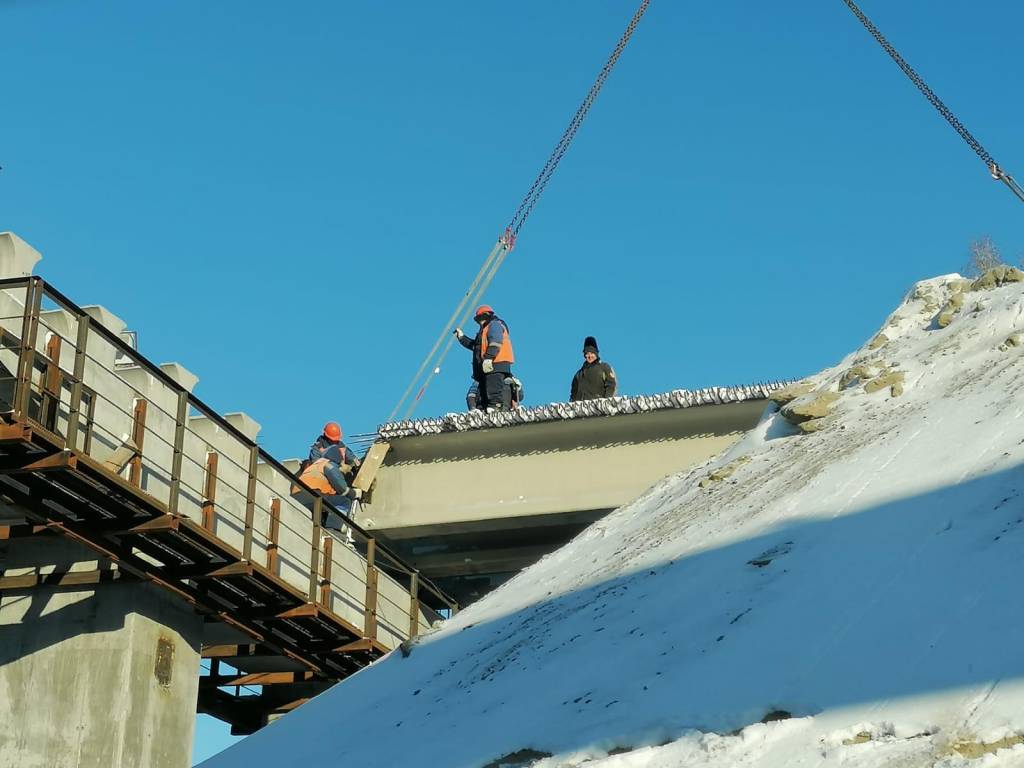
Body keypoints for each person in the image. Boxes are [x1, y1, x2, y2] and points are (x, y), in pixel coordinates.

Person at [294, 421, 362, 528]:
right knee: (343, 501)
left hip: (310, 490)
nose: (334, 441)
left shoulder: (342, 447)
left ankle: (322, 528)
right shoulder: (321, 454)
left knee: (328, 505)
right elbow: (342, 488)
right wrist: (353, 493)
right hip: (317, 490)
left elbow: (353, 460)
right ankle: (333, 531)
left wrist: (357, 465)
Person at [454, 305, 515, 412]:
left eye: (480, 319)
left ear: (486, 316)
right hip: (491, 365)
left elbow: (495, 341)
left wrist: (488, 358)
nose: (479, 323)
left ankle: (496, 407)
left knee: (493, 388)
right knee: (487, 390)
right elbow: (476, 347)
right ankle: (489, 409)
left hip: (496, 363)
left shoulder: (494, 325)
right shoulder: (485, 330)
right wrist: (462, 337)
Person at [570, 336, 617, 401]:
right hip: (581, 409)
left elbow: (611, 385)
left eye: (592, 353)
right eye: (587, 353)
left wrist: (606, 402)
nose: (590, 356)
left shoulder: (604, 368)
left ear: (596, 354)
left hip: (598, 407)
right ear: (584, 355)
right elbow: (573, 394)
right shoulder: (578, 375)